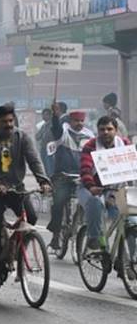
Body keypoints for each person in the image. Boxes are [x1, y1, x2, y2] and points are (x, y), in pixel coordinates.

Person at [0, 105, 51, 287]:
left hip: (16, 188)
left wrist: (43, 180)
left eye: (11, 121)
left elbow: (34, 159)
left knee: (31, 217)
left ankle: (12, 249)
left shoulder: (22, 137)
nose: (9, 125)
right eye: (5, 122)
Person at [79, 116, 132, 254]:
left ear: (116, 130)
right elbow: (85, 169)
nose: (106, 132)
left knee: (131, 221)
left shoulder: (125, 144)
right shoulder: (90, 146)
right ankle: (95, 239)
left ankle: (131, 259)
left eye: (109, 129)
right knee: (95, 203)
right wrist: (91, 187)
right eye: (102, 129)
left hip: (117, 189)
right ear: (97, 131)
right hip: (92, 188)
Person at [46, 104, 94, 250]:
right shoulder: (63, 132)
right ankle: (55, 236)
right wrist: (55, 116)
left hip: (83, 177)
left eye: (81, 121)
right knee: (59, 202)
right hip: (63, 176)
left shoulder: (90, 135)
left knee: (92, 202)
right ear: (71, 121)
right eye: (76, 121)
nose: (79, 124)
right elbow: (56, 129)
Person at [35, 108, 54, 176]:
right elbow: (37, 136)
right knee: (46, 165)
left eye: (45, 115)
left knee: (50, 165)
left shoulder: (53, 125)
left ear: (50, 115)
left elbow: (50, 136)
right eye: (43, 115)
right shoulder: (43, 125)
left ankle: (51, 179)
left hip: (50, 148)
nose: (43, 116)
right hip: (43, 148)